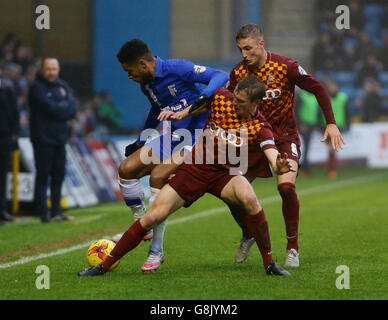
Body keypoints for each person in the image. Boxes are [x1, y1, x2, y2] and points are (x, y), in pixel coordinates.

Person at [78, 75, 294, 277]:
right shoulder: (221, 97)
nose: (235, 103)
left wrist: (279, 165)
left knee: (249, 198)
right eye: (236, 96)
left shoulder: (260, 127)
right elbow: (200, 105)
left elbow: (272, 152)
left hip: (225, 174)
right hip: (195, 168)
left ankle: (269, 264)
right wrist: (183, 113)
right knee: (153, 216)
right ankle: (104, 265)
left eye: (242, 101)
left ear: (256, 103)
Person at [226, 24, 345, 267]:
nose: (244, 54)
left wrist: (331, 123)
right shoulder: (238, 72)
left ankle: (292, 248)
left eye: (248, 48)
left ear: (261, 43)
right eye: (240, 49)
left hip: (284, 137)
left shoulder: (285, 67)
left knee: (286, 189)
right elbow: (228, 103)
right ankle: (248, 233)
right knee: (230, 193)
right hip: (252, 139)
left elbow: (318, 89)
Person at [114, 39, 229, 272]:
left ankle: (156, 250)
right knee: (126, 169)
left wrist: (203, 97)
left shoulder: (177, 68)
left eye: (130, 71)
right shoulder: (146, 84)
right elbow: (157, 108)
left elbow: (220, 75)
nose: (129, 76)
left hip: (199, 136)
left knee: (158, 176)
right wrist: (141, 140)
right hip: (175, 136)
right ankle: (141, 224)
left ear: (143, 64)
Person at [28, 57, 77, 222]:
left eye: (54, 69)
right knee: (43, 175)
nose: (51, 72)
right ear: (42, 69)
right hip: (42, 139)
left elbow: (73, 108)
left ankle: (56, 211)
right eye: (48, 69)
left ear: (58, 70)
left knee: (58, 175)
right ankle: (43, 212)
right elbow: (50, 108)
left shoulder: (63, 86)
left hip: (60, 138)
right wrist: (62, 109)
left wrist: (59, 109)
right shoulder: (36, 87)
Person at [0, 64, 19, 223]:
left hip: (3, 136)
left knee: (2, 175)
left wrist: (14, 134)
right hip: (5, 135)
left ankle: (2, 210)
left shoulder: (7, 89)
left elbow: (14, 113)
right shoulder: (7, 88)